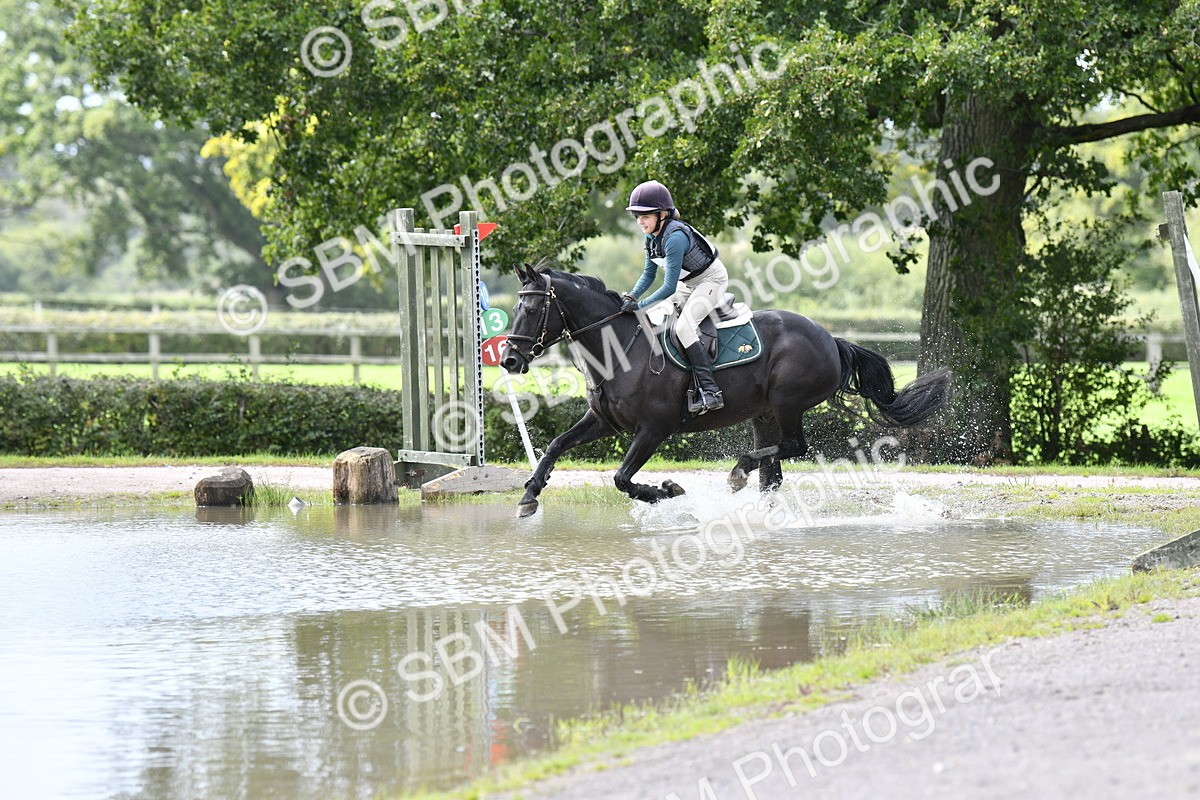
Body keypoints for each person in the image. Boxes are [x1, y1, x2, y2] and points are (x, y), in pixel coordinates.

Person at [620, 180, 728, 414]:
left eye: (645, 216)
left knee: (684, 328)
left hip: (711, 281)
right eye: (637, 216)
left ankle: (711, 391)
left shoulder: (674, 237)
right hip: (687, 284)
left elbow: (668, 287)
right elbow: (648, 274)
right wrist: (632, 296)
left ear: (662, 214)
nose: (640, 222)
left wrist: (640, 305)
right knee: (652, 320)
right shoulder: (651, 237)